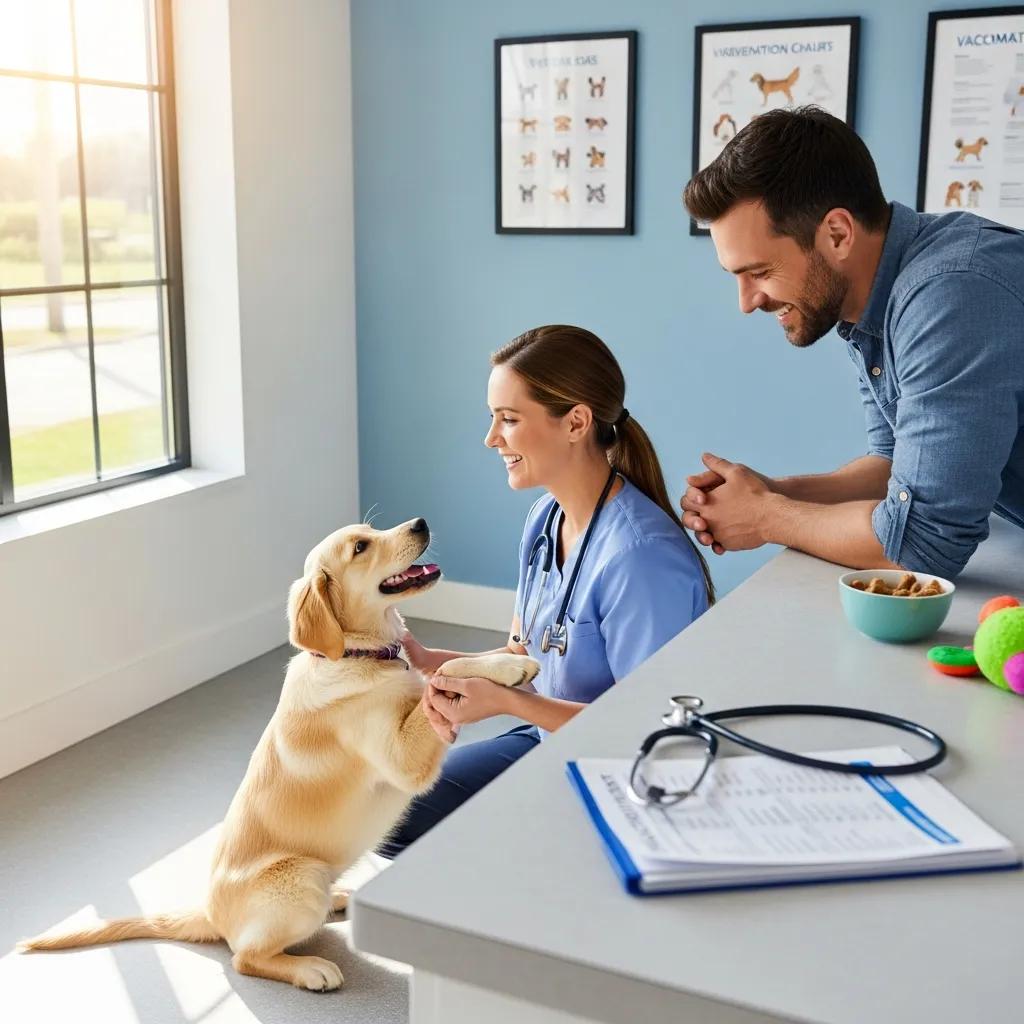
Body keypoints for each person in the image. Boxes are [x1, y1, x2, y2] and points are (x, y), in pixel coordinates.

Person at [378, 325, 713, 858]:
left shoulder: (642, 558)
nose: (492, 438)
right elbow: (524, 655)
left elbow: (650, 732)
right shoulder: (545, 518)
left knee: (449, 843)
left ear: (576, 422)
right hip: (553, 743)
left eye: (509, 420)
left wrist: (507, 702)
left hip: (623, 773)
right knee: (389, 814)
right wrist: (429, 661)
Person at [679, 106, 1024, 579]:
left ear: (837, 233)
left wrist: (765, 517)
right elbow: (893, 467)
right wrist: (773, 492)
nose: (747, 301)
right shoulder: (872, 299)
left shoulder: (950, 294)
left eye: (760, 272)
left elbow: (924, 543)